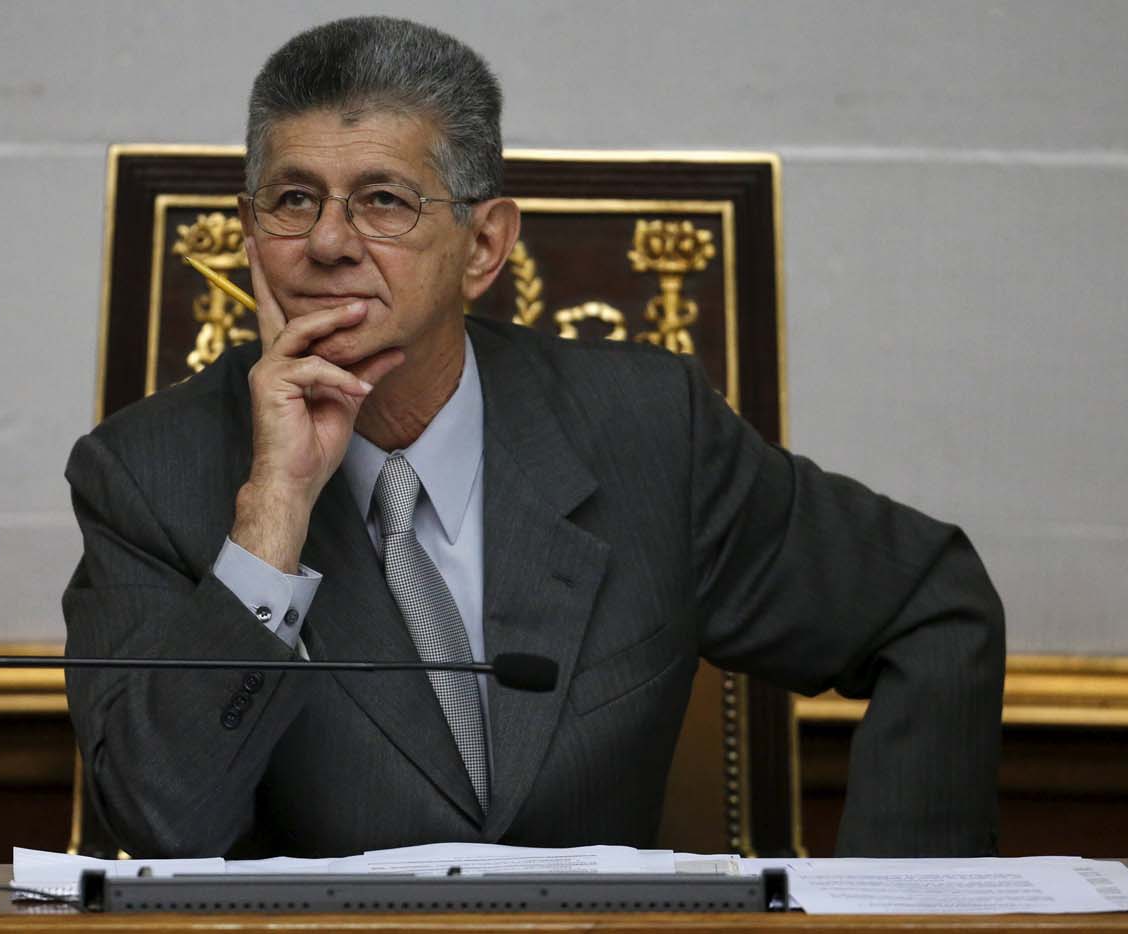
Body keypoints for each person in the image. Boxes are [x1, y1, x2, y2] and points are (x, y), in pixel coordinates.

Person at [63, 16, 1004, 859]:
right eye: (294, 200)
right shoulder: (148, 474)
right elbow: (159, 826)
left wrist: (902, 904)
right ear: (250, 231)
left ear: (484, 246)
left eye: (385, 200)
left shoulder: (646, 433)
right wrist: (273, 509)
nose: (329, 243)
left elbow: (930, 604)